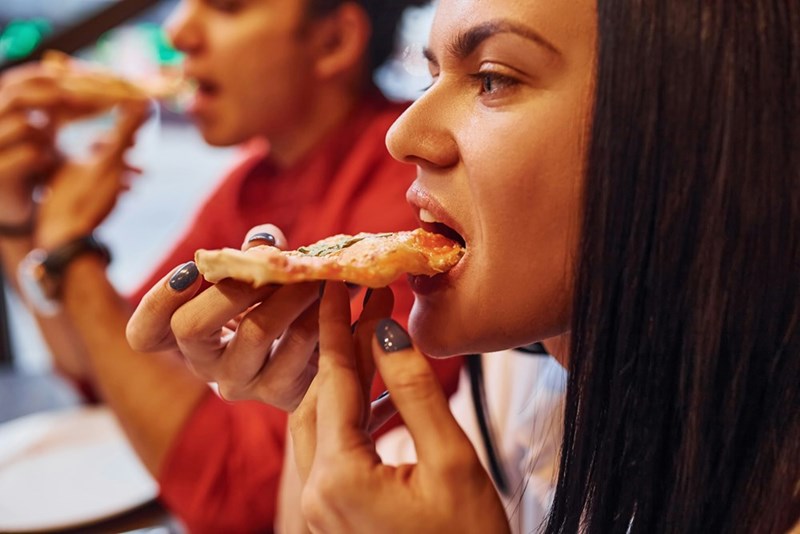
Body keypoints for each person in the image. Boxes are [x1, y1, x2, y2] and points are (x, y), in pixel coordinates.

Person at [128, 0, 800, 532]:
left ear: (695, 131)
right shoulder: (515, 377)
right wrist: (322, 401)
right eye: (429, 76)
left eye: (491, 79)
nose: (402, 134)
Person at [0, 0, 464, 532]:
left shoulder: (408, 204)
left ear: (334, 42)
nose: (177, 31)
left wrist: (70, 251)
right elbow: (102, 366)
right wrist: (16, 222)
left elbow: (242, 503)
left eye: (225, 6)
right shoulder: (252, 183)